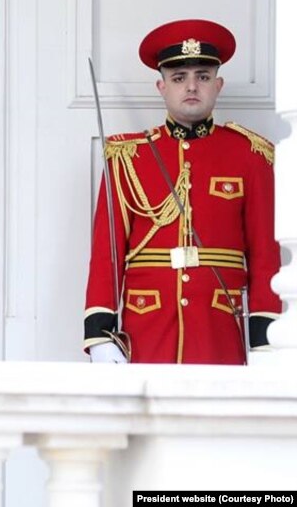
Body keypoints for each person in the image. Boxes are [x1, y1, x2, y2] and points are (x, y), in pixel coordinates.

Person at [84, 19, 282, 364]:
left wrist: (265, 342)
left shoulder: (250, 155)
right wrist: (100, 333)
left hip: (218, 330)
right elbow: (106, 254)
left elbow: (265, 255)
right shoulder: (127, 157)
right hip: (147, 327)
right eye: (179, 78)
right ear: (162, 86)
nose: (191, 86)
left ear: (218, 85)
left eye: (202, 77)